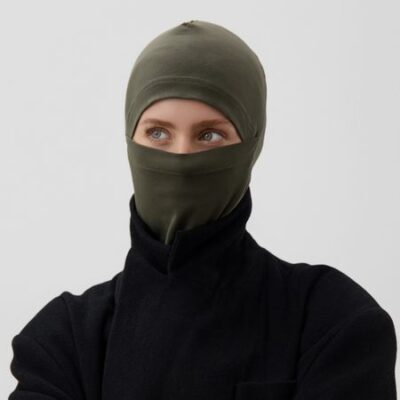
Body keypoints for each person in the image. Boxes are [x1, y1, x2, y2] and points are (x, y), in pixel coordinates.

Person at [8, 19, 397, 400]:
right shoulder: (65, 341)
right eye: (157, 132)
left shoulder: (331, 321)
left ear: (252, 145)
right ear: (130, 140)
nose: (181, 157)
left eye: (209, 135)